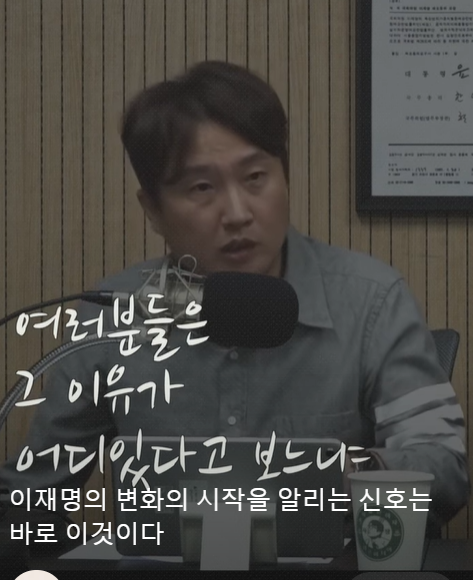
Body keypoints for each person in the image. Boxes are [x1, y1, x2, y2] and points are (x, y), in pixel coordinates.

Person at [0, 60, 469, 536]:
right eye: (202, 188)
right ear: (153, 210)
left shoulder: (371, 301)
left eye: (255, 177)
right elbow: (32, 496)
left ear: (285, 176)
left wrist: (348, 475)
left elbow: (445, 469)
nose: (238, 213)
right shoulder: (114, 316)